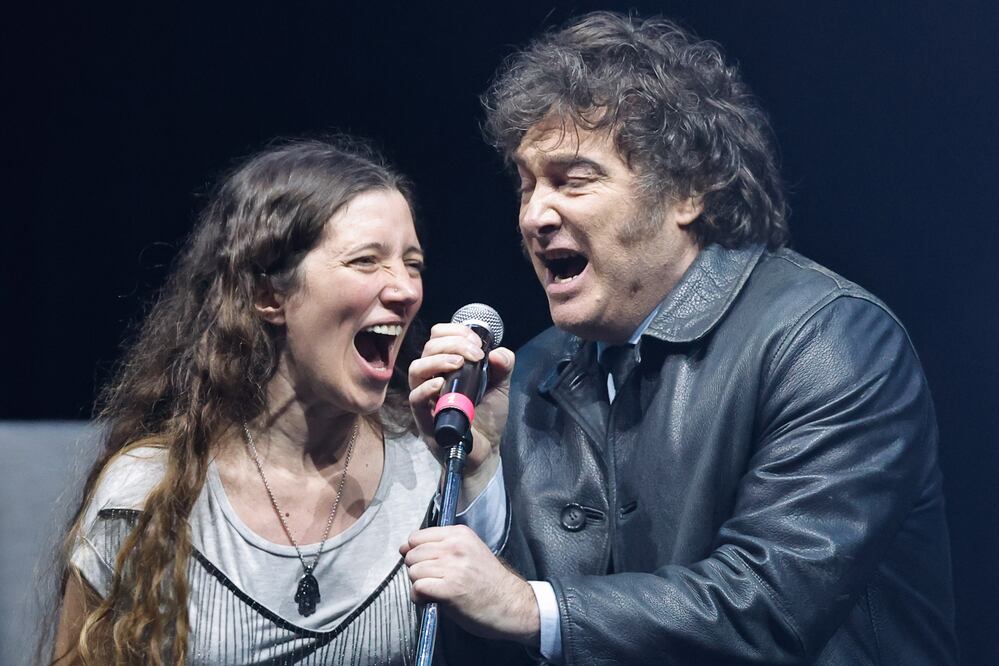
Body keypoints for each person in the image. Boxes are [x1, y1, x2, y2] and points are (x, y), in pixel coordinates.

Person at [404, 12, 958, 665]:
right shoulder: (526, 374)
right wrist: (479, 476)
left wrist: (530, 608)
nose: (534, 215)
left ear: (687, 192)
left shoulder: (829, 339)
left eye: (572, 180)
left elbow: (768, 608)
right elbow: (514, 635)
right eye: (526, 186)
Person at [47, 137, 485, 665]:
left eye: (412, 264)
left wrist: (478, 468)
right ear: (268, 295)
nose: (406, 290)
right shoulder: (146, 497)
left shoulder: (433, 475)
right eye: (366, 260)